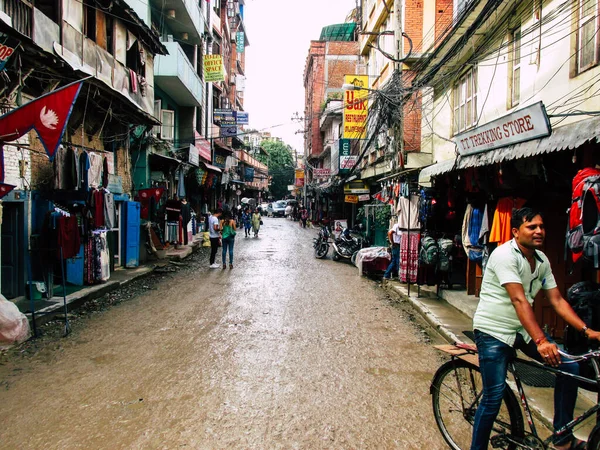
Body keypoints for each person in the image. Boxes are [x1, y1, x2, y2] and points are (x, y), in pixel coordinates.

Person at [471, 207, 600, 450]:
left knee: (570, 368)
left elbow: (557, 300)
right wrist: (542, 341)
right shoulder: (504, 256)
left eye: (541, 226)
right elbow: (519, 300)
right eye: (532, 227)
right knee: (493, 397)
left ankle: (562, 439)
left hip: (521, 331)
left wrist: (587, 331)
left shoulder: (541, 260)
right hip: (493, 332)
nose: (539, 231)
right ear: (516, 232)